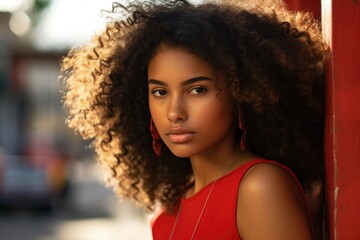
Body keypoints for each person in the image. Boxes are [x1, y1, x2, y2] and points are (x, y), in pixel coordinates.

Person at [59, 0, 328, 239]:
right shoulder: (168, 213)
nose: (175, 112)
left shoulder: (259, 187)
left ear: (241, 92)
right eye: (160, 92)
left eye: (197, 89)